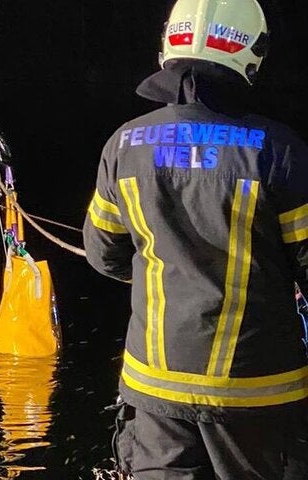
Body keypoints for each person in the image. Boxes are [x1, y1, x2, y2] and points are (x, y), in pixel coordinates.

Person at [83, 0, 308, 477]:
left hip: (154, 392)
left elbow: (104, 254)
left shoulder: (124, 144)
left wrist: (169, 271)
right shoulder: (279, 150)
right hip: (256, 393)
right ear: (251, 53)